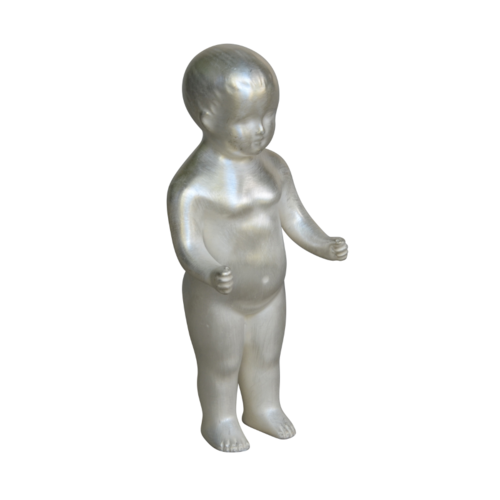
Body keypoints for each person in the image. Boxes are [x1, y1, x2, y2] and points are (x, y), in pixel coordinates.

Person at [167, 42, 348, 454]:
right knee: (221, 363)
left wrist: (322, 243)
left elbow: (295, 217)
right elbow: (186, 244)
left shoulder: (275, 167)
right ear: (207, 118)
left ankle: (263, 408)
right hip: (218, 298)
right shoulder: (192, 186)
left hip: (270, 292)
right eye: (244, 120)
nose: (261, 129)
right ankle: (219, 418)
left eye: (269, 114)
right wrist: (209, 270)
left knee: (267, 355)